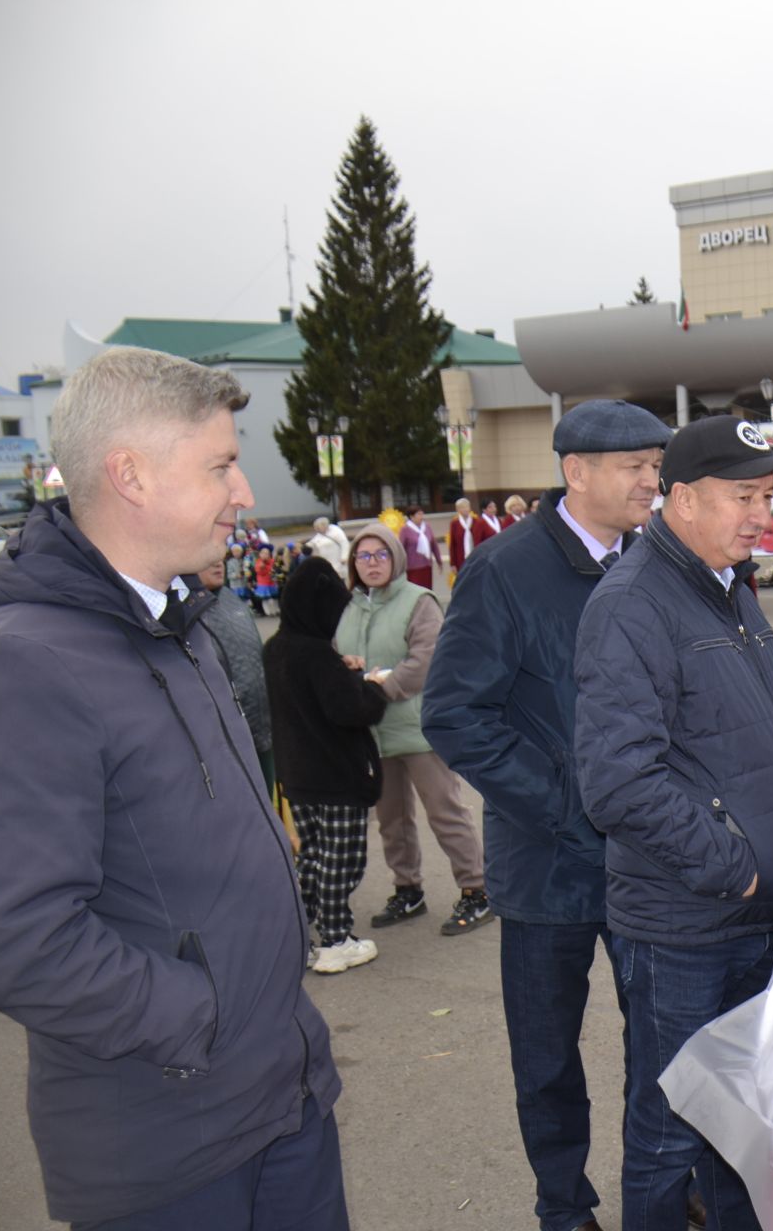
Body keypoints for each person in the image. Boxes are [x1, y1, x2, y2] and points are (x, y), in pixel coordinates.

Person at [0, 346, 345, 1227]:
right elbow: (13, 931)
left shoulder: (179, 624)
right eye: (221, 464)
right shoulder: (27, 661)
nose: (245, 492)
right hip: (170, 1141)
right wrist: (197, 1017)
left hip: (283, 1093)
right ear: (130, 476)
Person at [425, 399, 671, 1231]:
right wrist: (570, 805)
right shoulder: (505, 570)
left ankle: (667, 1191)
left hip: (649, 859)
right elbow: (456, 716)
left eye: (655, 464)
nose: (652, 479)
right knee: (548, 1061)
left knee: (664, 1043)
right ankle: (564, 1210)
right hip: (548, 869)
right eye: (634, 466)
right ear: (577, 472)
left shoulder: (655, 560)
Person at [574, 414, 773, 1230]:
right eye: (743, 495)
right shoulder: (634, 604)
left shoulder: (727, 586)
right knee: (668, 1130)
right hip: (688, 925)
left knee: (739, 1121)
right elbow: (616, 781)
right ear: (680, 499)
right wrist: (734, 865)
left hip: (755, 916)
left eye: (767, 494)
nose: (762, 512)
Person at [338, 523, 493, 935]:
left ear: (396, 557)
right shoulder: (351, 605)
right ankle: (408, 888)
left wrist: (381, 687)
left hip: (418, 727)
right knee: (391, 818)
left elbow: (427, 658)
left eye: (380, 554)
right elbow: (339, 654)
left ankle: (476, 889)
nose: (372, 563)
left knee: (445, 811)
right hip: (374, 733)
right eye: (363, 556)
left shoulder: (417, 601)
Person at [266, 556, 390, 975]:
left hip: (297, 775)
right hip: (335, 775)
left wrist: (343, 669)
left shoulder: (277, 649)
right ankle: (336, 939)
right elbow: (350, 710)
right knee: (342, 858)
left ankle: (300, 937)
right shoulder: (315, 654)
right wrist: (372, 687)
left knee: (313, 855)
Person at [196, 556, 278, 801]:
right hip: (225, 745)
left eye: (220, 556)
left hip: (262, 731)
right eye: (207, 556)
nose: (217, 562)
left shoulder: (232, 600)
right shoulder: (180, 612)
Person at [448, 496, 494, 578]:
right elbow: (453, 544)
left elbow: (488, 537)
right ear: (458, 510)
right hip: (461, 559)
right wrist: (453, 564)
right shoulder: (454, 524)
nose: (465, 509)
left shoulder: (478, 522)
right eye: (462, 507)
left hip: (476, 558)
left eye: (467, 506)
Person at [401, 504, 439, 589]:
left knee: (427, 589)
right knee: (415, 590)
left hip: (427, 565)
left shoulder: (427, 527)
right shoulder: (405, 529)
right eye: (418, 514)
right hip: (413, 567)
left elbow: (433, 545)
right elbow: (401, 549)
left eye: (422, 514)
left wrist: (439, 560)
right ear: (411, 516)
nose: (421, 516)